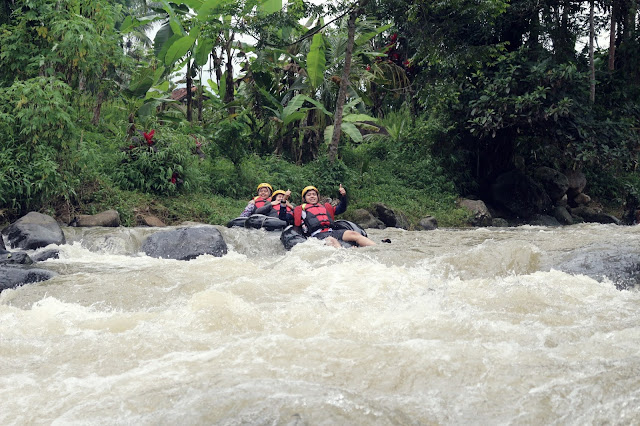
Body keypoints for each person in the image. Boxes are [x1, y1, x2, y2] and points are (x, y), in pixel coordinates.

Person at [292, 184, 376, 248]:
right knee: (332, 240)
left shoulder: (325, 207)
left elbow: (341, 209)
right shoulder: (301, 209)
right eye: (309, 195)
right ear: (304, 198)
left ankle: (376, 248)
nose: (312, 196)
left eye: (314, 194)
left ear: (318, 197)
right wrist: (284, 202)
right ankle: (347, 258)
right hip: (317, 235)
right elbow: (286, 217)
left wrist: (343, 196)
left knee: (354, 234)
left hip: (332, 231)